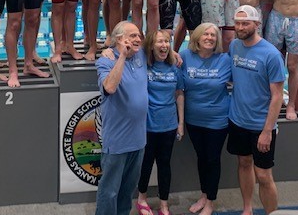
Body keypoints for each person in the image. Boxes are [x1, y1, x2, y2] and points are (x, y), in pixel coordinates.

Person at [227, 5, 285, 215]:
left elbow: (278, 96)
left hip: (261, 125)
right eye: (237, 23)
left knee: (263, 175)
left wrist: (267, 131)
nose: (240, 27)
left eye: (245, 23)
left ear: (257, 24)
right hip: (237, 120)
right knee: (243, 163)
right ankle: (247, 209)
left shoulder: (271, 54)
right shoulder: (234, 45)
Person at [95, 21, 147, 215]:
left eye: (138, 35)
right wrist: (122, 56)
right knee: (109, 192)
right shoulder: (105, 61)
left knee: (127, 191)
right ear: (118, 39)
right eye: (132, 35)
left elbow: (162, 44)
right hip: (117, 141)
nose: (137, 39)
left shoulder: (141, 54)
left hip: (139, 139)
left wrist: (173, 53)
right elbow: (109, 88)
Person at [180, 23, 231, 215]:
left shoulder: (225, 60)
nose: (209, 37)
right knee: (201, 158)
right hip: (193, 119)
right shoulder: (185, 56)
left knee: (212, 158)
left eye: (213, 35)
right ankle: (204, 194)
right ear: (197, 38)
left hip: (217, 119)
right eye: (206, 34)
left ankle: (210, 201)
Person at [135, 29, 184, 215]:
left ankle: (164, 203)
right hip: (147, 125)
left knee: (164, 164)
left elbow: (179, 94)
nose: (164, 45)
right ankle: (142, 198)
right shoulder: (143, 65)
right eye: (159, 42)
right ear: (151, 46)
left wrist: (181, 124)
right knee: (146, 163)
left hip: (169, 125)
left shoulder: (175, 67)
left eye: (166, 42)